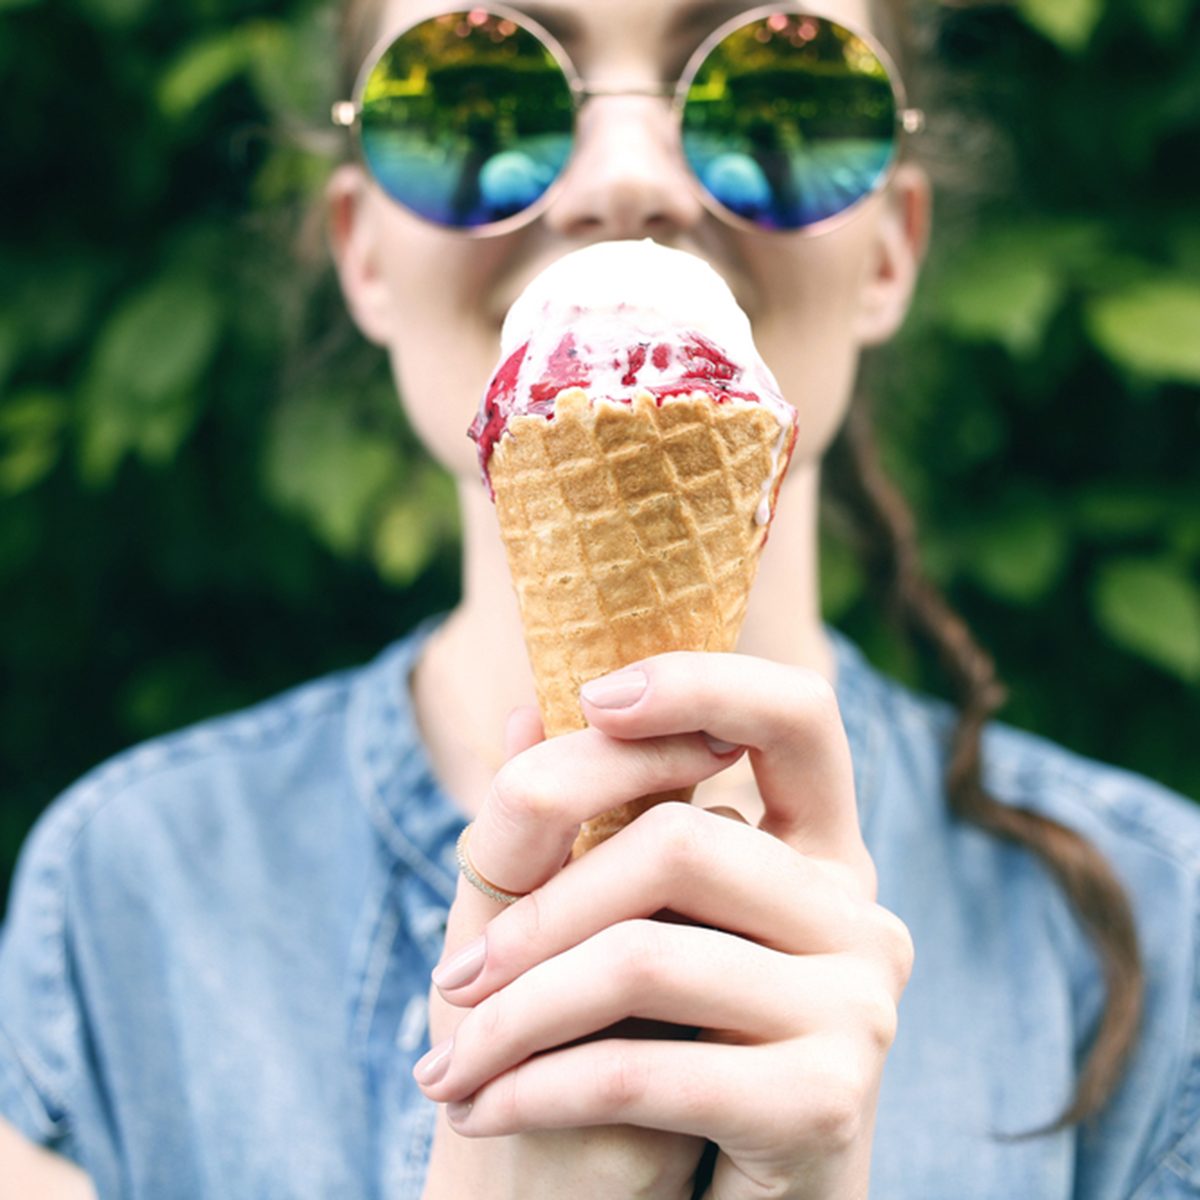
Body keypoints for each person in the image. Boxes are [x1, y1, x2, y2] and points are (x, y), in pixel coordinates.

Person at [2, 1, 1198, 1196]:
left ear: (890, 243)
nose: (627, 181)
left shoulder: (1160, 935)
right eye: (477, 95)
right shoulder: (124, 900)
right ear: (363, 248)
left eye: (776, 99)